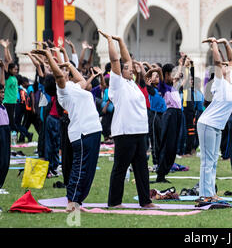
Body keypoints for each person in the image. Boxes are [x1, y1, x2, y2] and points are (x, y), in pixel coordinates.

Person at [32, 48, 102, 211]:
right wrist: (49, 56)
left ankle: (78, 201)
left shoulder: (72, 86)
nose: (63, 73)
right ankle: (72, 200)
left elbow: (83, 82)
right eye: (60, 74)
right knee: (80, 168)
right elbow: (57, 76)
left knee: (89, 170)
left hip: (92, 130)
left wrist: (69, 66)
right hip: (82, 132)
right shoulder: (63, 92)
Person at [98, 30, 157, 209]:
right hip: (125, 133)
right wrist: (109, 41)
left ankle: (145, 201)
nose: (130, 69)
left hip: (140, 132)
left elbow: (126, 60)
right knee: (120, 168)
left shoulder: (131, 83)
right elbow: (117, 61)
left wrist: (121, 40)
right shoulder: (117, 84)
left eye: (130, 68)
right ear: (117, 72)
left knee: (141, 169)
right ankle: (114, 202)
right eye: (126, 69)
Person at [197, 37, 232, 202]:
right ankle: (205, 194)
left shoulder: (230, 84)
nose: (226, 66)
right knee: (207, 161)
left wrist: (225, 43)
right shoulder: (219, 82)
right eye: (222, 66)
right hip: (207, 123)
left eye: (226, 66)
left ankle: (211, 193)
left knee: (213, 161)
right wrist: (214, 44)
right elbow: (217, 59)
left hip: (217, 127)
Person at [155, 56, 185, 183]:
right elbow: (162, 75)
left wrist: (181, 63)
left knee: (173, 146)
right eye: (171, 74)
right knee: (167, 145)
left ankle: (165, 171)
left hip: (177, 114)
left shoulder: (171, 85)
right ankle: (160, 174)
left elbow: (178, 75)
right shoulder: (162, 85)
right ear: (166, 74)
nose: (174, 77)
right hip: (170, 114)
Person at [144, 65, 166, 169]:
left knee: (162, 139)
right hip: (154, 115)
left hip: (163, 115)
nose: (156, 78)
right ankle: (156, 162)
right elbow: (145, 77)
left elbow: (162, 77)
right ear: (150, 80)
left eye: (157, 76)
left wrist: (157, 71)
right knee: (155, 140)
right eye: (154, 76)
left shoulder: (162, 87)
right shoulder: (150, 88)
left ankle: (162, 161)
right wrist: (151, 71)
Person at [0, 59, 10, 193]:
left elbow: (2, 84)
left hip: (5, 130)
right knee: (1, 160)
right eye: (1, 93)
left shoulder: (3, 105)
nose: (3, 95)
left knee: (6, 160)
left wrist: (2, 68)